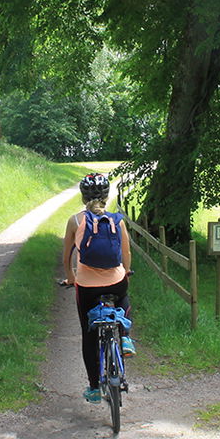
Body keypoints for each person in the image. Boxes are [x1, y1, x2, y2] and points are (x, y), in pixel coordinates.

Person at [61, 173, 135, 403]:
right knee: (123, 296)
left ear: (83, 197)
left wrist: (70, 278)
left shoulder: (74, 221)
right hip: (116, 281)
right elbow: (126, 253)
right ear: (106, 195)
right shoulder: (117, 220)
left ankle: (94, 388)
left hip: (87, 286)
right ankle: (125, 336)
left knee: (89, 335)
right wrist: (126, 272)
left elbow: (66, 257)